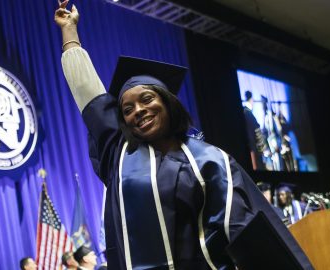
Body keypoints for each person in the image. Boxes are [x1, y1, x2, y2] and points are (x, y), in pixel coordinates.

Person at [55, 1, 313, 269]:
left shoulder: (209, 161)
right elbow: (89, 94)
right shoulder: (120, 153)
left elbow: (245, 230)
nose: (138, 111)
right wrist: (69, 32)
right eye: (128, 109)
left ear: (168, 102)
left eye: (146, 99)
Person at [243, 91, 269, 170]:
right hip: (254, 152)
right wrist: (264, 149)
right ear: (251, 100)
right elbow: (256, 133)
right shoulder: (248, 114)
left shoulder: (245, 112)